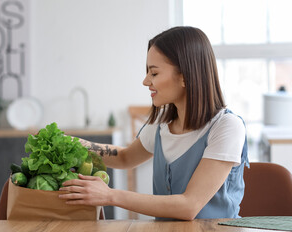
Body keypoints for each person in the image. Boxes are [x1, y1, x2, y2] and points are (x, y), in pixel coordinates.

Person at [59, 26, 249, 220]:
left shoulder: (227, 126)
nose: (145, 81)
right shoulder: (161, 123)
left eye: (154, 73)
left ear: (184, 76)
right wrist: (74, 145)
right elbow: (125, 157)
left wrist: (109, 195)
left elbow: (189, 206)